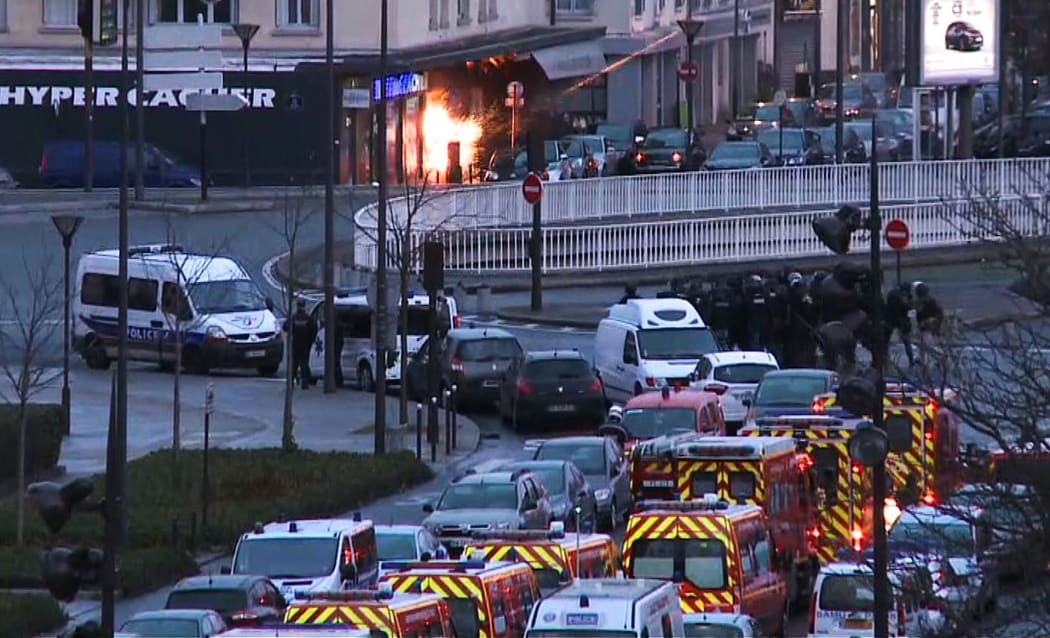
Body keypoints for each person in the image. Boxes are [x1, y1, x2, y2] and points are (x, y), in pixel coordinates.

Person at [284, 298, 318, 390]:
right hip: (305, 344)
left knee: (294, 364)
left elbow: (285, 327)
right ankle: (304, 383)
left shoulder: (293, 318)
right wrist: (310, 341)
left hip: (295, 344)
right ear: (304, 306)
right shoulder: (308, 318)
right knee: (304, 364)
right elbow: (314, 330)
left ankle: (291, 382)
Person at [885, 284, 916, 367]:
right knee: (906, 341)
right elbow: (910, 311)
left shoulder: (892, 294)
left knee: (886, 341)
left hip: (892, 319)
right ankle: (911, 361)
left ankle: (885, 359)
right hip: (900, 320)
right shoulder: (902, 297)